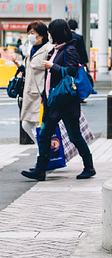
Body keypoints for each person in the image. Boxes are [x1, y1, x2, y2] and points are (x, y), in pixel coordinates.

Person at [21, 19, 96, 181]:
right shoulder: (57, 49)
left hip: (66, 101)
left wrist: (52, 66)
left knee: (74, 136)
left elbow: (71, 71)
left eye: (52, 32)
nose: (50, 35)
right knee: (45, 135)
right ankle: (40, 170)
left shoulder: (69, 49)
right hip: (55, 100)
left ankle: (89, 167)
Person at [13, 21, 52, 143]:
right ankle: (41, 148)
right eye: (29, 32)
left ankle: (43, 151)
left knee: (38, 125)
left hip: (40, 94)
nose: (30, 35)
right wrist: (18, 64)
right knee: (26, 124)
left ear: (41, 35)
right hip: (29, 93)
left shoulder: (48, 49)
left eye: (32, 33)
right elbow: (29, 67)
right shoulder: (32, 49)